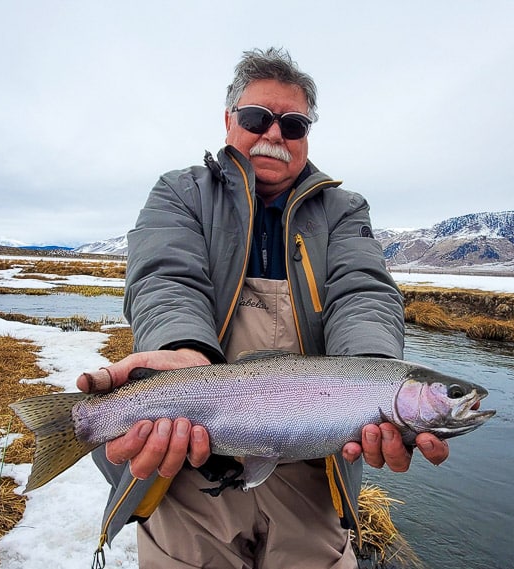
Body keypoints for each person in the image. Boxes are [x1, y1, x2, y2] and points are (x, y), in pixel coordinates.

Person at [76, 47, 450, 568]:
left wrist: (376, 375)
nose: (274, 134)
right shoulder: (181, 193)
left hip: (312, 472)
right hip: (186, 468)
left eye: (293, 125)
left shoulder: (344, 211)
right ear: (229, 120)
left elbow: (362, 291)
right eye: (257, 118)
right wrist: (181, 349)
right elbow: (164, 276)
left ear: (306, 136)